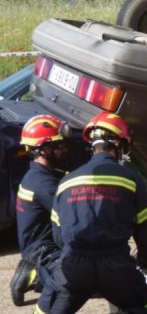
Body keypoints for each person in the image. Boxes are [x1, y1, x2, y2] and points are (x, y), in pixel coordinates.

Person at [46, 111, 147, 313]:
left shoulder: (66, 182)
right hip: (116, 266)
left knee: (50, 309)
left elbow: (58, 234)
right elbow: (146, 230)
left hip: (73, 265)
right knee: (144, 306)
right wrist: (145, 262)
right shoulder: (130, 179)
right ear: (118, 145)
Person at [10, 115, 67, 309]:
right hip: (44, 251)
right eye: (58, 146)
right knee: (82, 274)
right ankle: (37, 273)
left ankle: (32, 268)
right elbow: (71, 216)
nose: (63, 150)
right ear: (44, 149)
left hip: (36, 247)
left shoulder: (36, 175)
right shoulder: (44, 184)